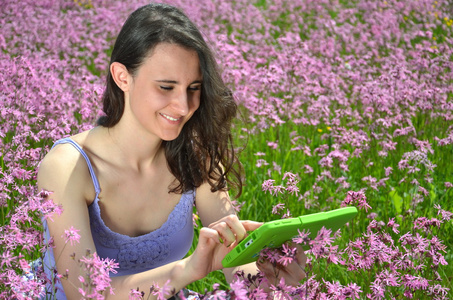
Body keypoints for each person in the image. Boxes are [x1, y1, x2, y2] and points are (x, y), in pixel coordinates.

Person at [38, 3, 306, 299]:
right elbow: (84, 292)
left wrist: (269, 282)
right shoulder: (66, 167)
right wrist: (187, 270)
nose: (184, 106)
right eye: (166, 87)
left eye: (193, 87)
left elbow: (236, 268)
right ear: (122, 77)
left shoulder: (197, 156)